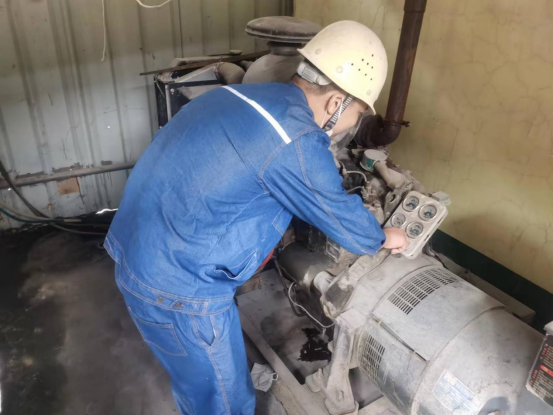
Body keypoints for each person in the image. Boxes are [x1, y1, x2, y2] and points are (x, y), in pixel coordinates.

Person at [104, 20, 409, 415]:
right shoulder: (295, 139)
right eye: (359, 114)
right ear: (336, 102)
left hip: (138, 251)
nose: (354, 126)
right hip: (180, 290)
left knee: (195, 385)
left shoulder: (235, 95)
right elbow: (346, 225)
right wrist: (386, 236)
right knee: (224, 402)